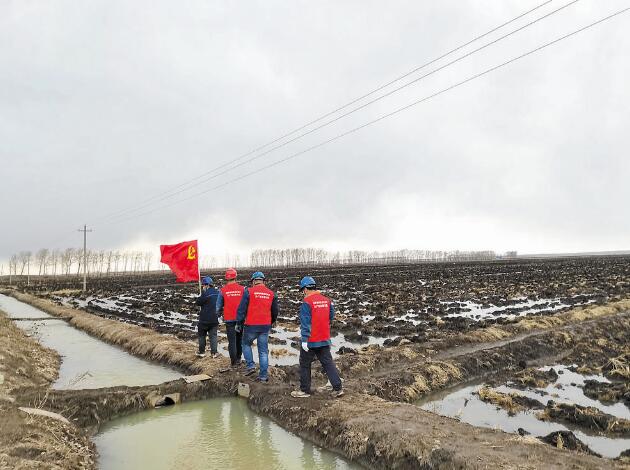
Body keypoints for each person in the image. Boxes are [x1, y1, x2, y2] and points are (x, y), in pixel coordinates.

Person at [291, 276, 344, 398]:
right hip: (324, 338)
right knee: (328, 363)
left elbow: (306, 323)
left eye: (302, 290)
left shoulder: (307, 302)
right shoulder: (326, 300)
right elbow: (331, 316)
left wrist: (304, 340)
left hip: (311, 340)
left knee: (305, 363)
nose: (303, 293)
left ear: (305, 289)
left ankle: (304, 390)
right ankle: (338, 388)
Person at [236, 271, 278, 382]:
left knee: (245, 344)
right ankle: (263, 376)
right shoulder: (271, 293)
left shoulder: (248, 291)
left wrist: (239, 323)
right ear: (263, 281)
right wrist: (272, 321)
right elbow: (275, 311)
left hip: (251, 325)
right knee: (263, 351)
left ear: (254, 281)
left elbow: (241, 309)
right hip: (265, 326)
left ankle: (250, 366)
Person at [216, 267, 245, 368]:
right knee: (239, 340)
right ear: (235, 277)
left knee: (232, 341)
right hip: (240, 319)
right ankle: (238, 359)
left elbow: (218, 306)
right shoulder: (242, 289)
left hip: (229, 320)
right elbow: (246, 304)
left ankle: (233, 362)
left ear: (226, 278)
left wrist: (218, 315)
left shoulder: (222, 290)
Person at [195, 276, 220, 358]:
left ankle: (201, 352)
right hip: (214, 318)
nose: (202, 287)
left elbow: (198, 302)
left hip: (204, 320)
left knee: (202, 336)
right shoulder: (217, 292)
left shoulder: (205, 294)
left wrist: (201, 295)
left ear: (206, 285)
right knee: (213, 336)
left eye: (203, 285)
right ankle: (214, 353)